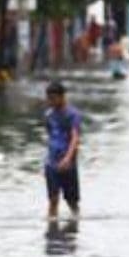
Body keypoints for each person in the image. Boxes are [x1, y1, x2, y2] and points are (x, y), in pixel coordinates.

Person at [42, 81, 82, 220]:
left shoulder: (73, 115)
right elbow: (50, 135)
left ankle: (75, 224)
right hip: (52, 162)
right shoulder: (48, 114)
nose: (50, 102)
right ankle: (52, 227)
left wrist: (68, 158)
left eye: (53, 98)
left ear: (62, 96)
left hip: (68, 163)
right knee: (53, 199)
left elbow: (75, 138)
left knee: (71, 201)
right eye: (49, 99)